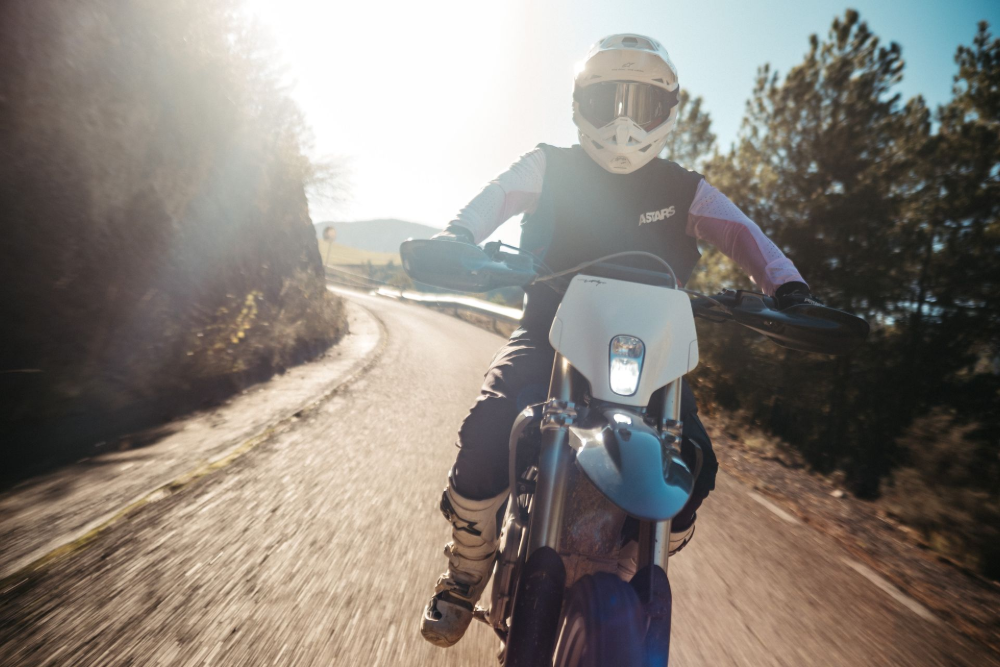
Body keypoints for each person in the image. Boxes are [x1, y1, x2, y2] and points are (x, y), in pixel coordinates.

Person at [420, 33, 813, 648]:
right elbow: (490, 200)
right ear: (581, 103)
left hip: (652, 358)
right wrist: (457, 234)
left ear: (669, 112)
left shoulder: (686, 189)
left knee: (696, 466)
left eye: (643, 104)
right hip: (552, 336)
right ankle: (465, 571)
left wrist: (788, 288)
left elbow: (746, 238)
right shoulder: (550, 164)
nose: (626, 121)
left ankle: (638, 559)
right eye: (610, 101)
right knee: (490, 426)